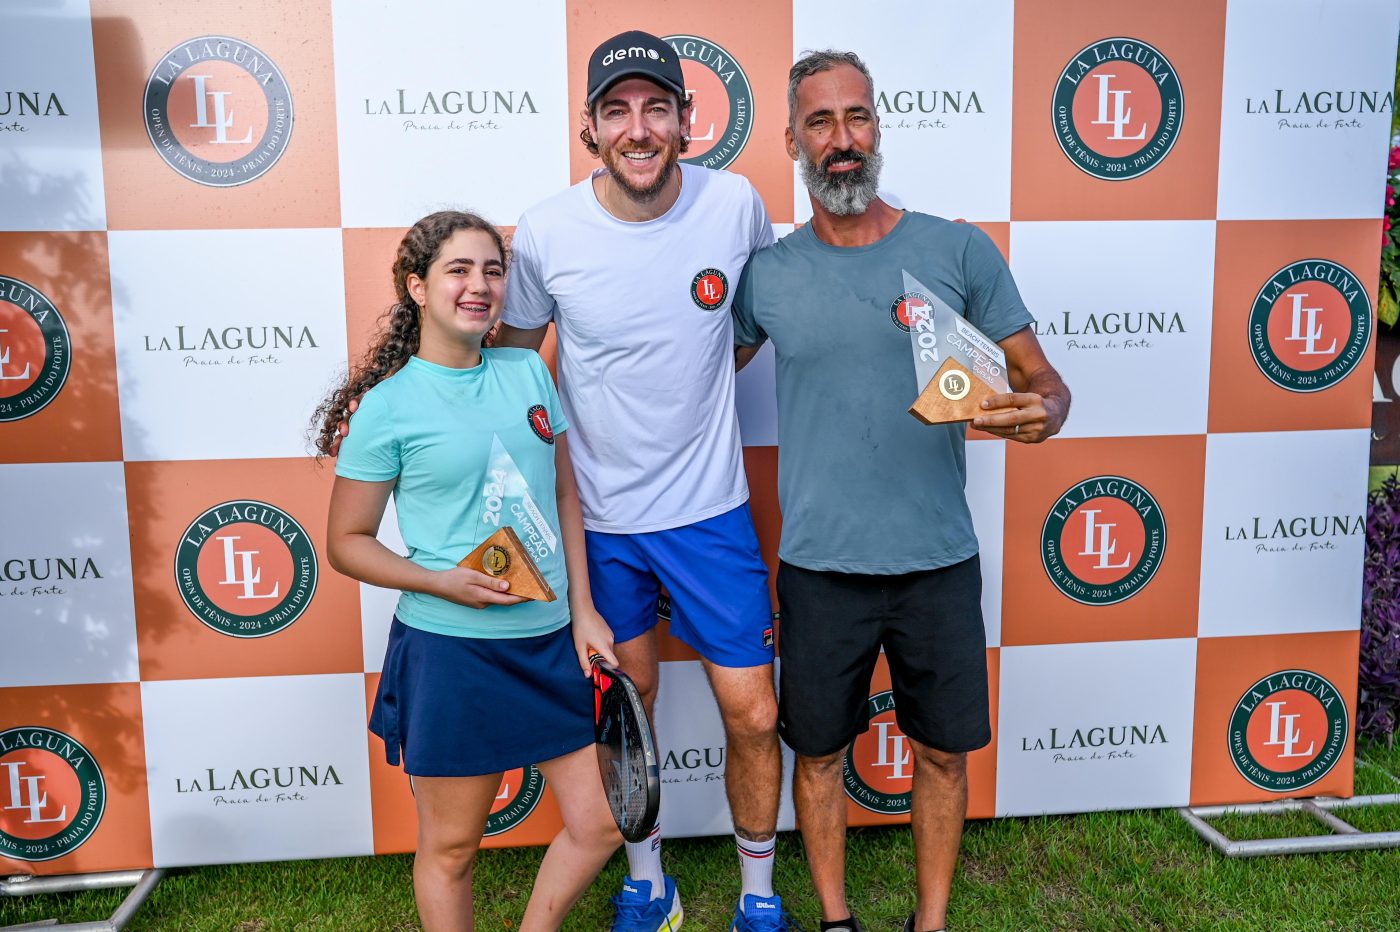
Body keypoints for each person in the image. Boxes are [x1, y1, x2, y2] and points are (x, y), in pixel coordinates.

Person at [731, 51, 1071, 932]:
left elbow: (1045, 380)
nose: (841, 140)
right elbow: (692, 387)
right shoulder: (766, 274)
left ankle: (931, 921)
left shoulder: (955, 248)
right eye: (820, 122)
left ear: (877, 126)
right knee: (816, 756)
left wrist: (1043, 413)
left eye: (856, 118)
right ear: (793, 141)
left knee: (943, 756)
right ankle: (837, 920)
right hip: (818, 566)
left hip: (937, 562)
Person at [494, 29, 792, 932]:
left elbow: (743, 332)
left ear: (687, 122)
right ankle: (646, 881)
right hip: (601, 524)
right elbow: (514, 370)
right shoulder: (546, 230)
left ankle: (758, 895)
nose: (639, 128)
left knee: (752, 708)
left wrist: (687, 399)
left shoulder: (736, 203)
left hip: (712, 515)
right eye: (617, 111)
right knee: (631, 705)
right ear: (590, 128)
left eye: (656, 108)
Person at [315, 211, 622, 932]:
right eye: (458, 270)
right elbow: (345, 541)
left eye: (491, 270)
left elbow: (565, 495)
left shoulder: (526, 371)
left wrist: (583, 611)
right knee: (452, 848)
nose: (479, 286)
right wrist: (437, 580)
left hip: (550, 643)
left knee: (602, 822)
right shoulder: (388, 408)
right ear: (416, 286)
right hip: (452, 651)